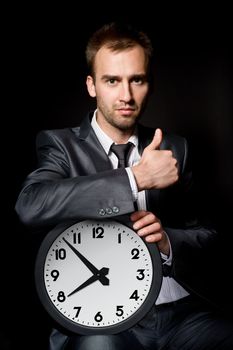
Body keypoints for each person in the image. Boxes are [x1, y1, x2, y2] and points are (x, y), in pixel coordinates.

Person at [15, 21, 233, 350]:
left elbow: (210, 237)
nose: (126, 95)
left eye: (137, 80)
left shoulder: (175, 149)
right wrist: (135, 179)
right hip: (104, 318)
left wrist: (166, 242)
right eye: (112, 81)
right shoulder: (60, 146)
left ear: (149, 84)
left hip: (182, 313)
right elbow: (31, 205)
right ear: (92, 85)